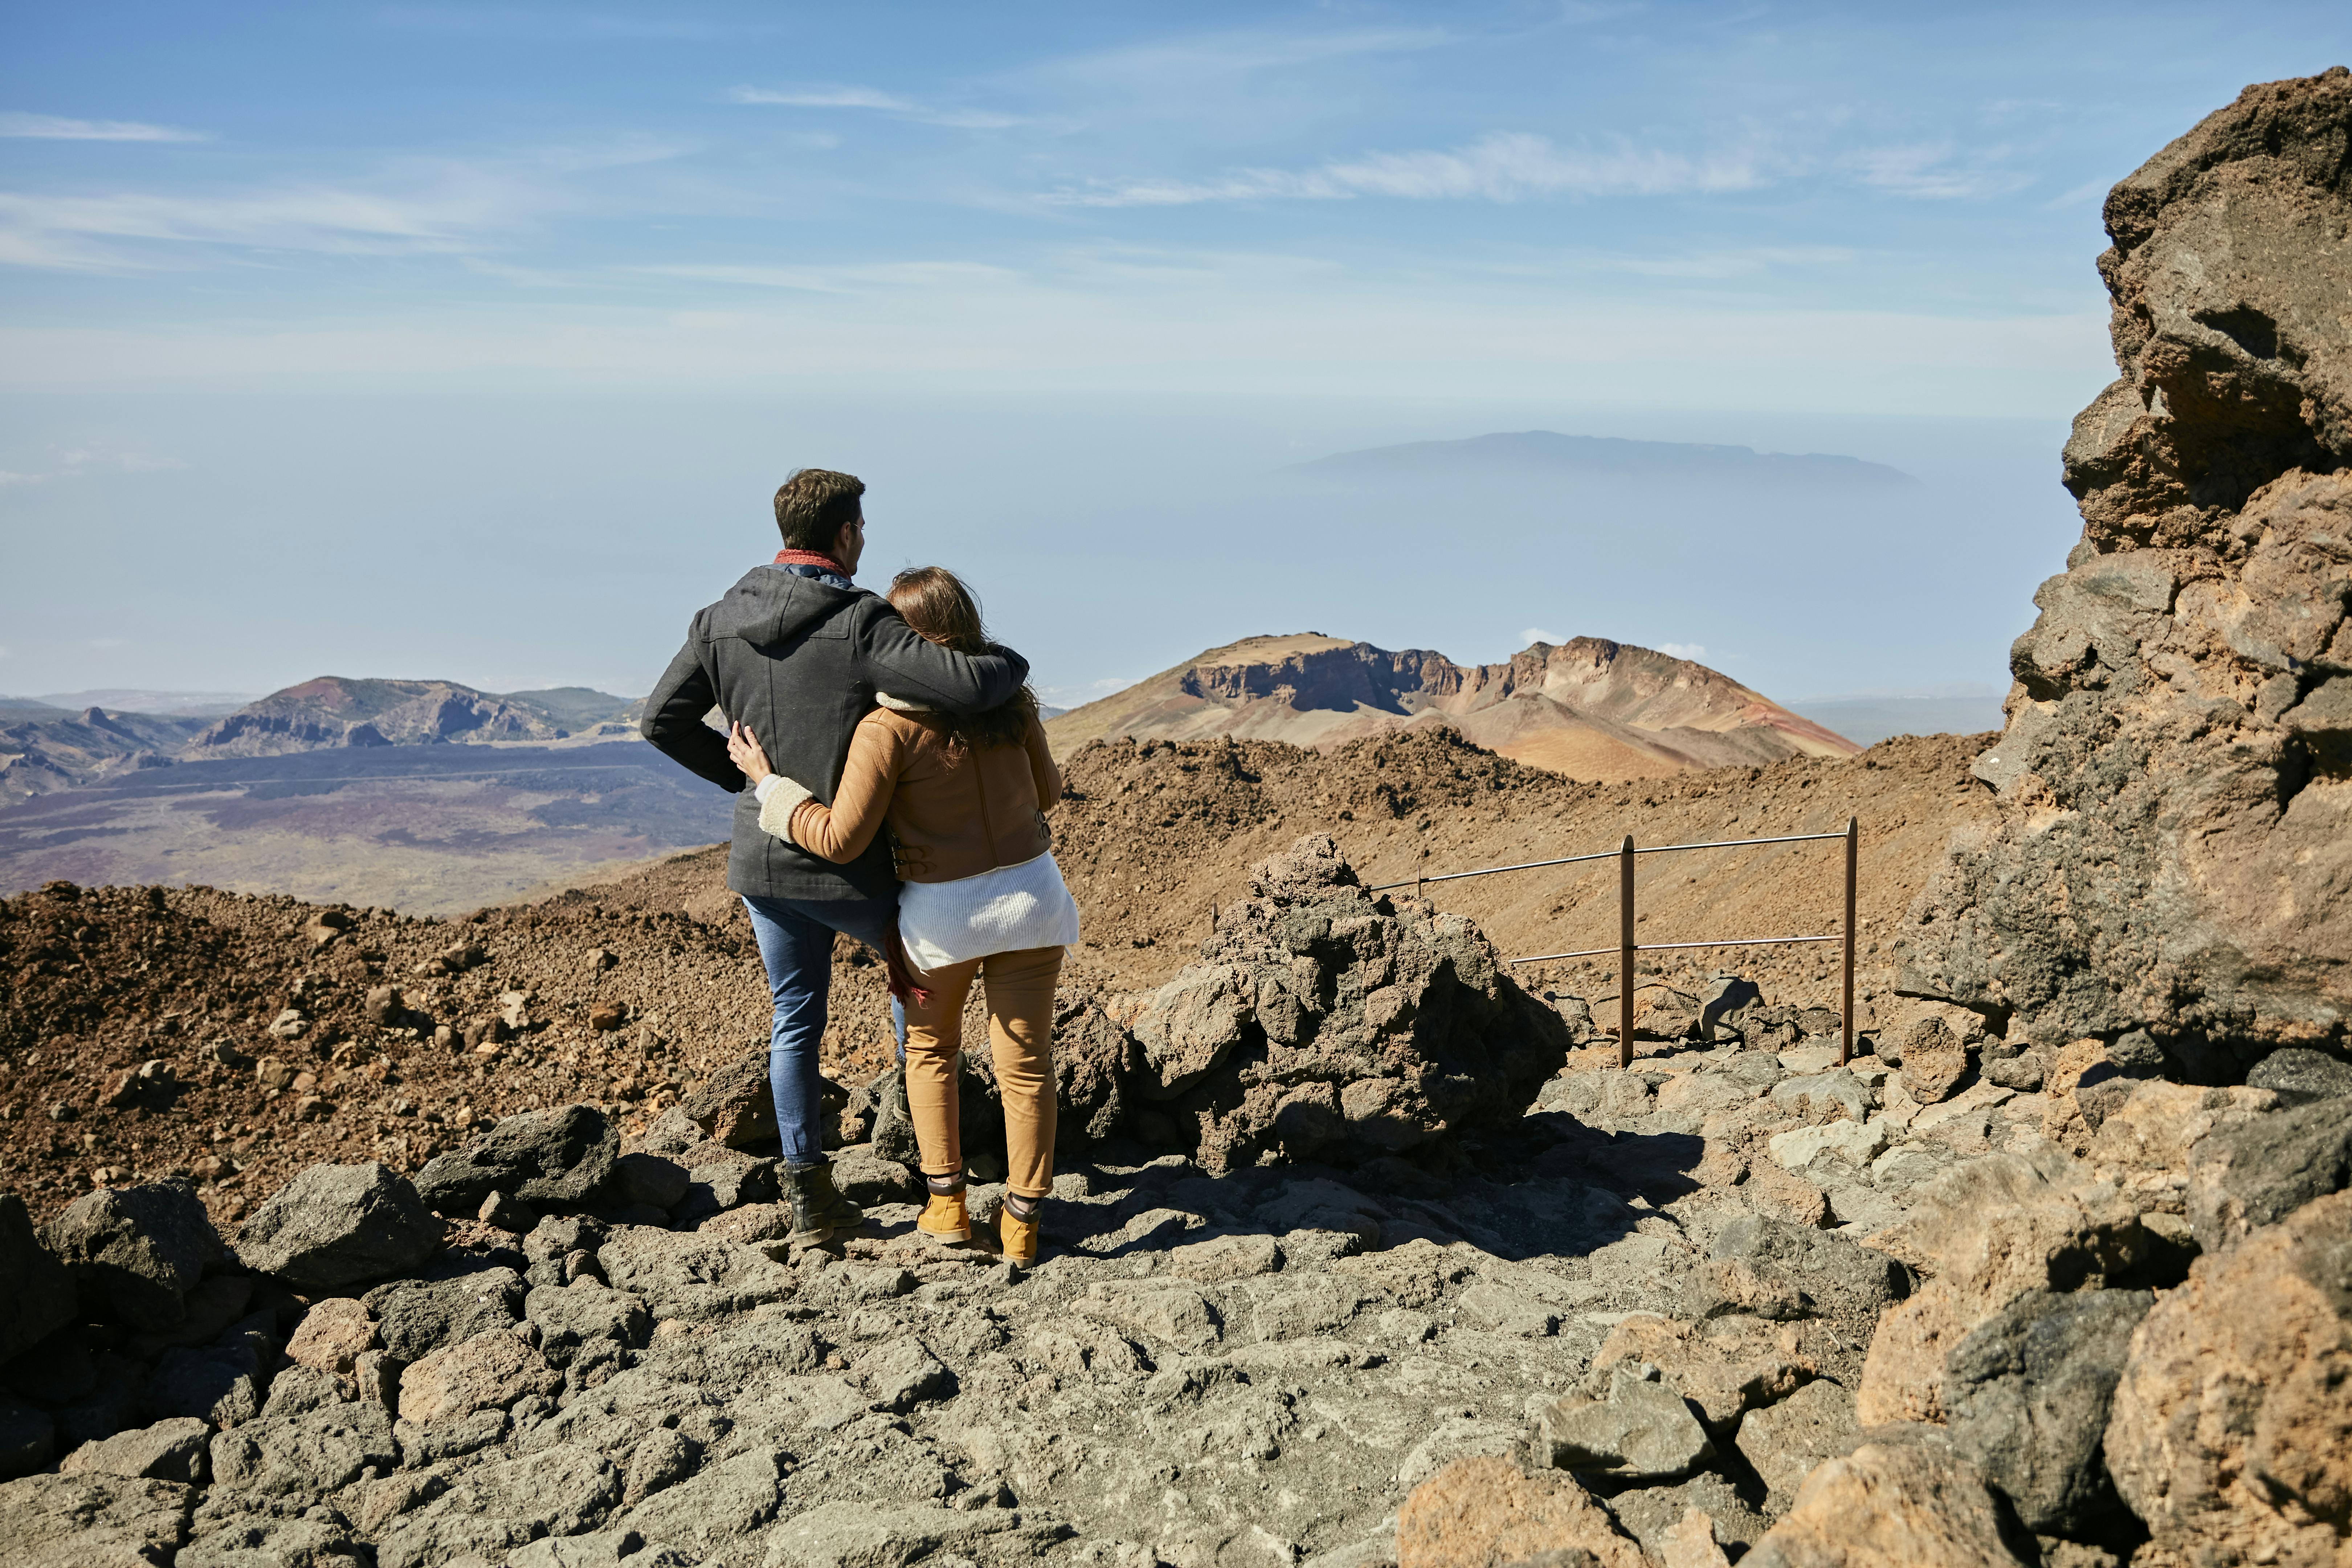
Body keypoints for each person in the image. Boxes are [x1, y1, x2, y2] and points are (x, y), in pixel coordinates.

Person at [640, 470, 1029, 1245]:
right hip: (853, 865)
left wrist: (750, 784)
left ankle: (811, 1198)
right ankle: (932, 1175)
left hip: (764, 865)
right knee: (917, 1004)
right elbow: (968, 683)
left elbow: (661, 721)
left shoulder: (717, 620)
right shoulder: (859, 623)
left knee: (795, 1021)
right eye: (862, 528)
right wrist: (1010, 663)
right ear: (846, 533)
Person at [724, 565, 1078, 1266]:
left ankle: (947, 1209)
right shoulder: (1015, 705)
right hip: (1034, 902)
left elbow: (838, 838)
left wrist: (769, 786)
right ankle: (1022, 1227)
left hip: (943, 916)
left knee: (930, 1052)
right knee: (1028, 1067)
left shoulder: (886, 728)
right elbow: (1050, 793)